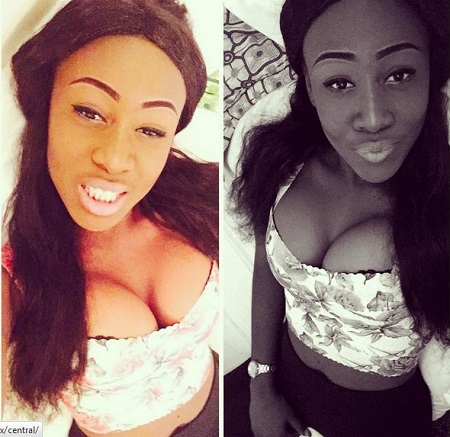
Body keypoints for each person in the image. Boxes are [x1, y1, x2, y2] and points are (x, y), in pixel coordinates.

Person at [226, 0, 449, 436]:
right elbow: (266, 266)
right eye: (340, 82)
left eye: (400, 75)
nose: (374, 118)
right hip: (277, 378)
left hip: (379, 420)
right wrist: (261, 382)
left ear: (431, 76)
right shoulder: (281, 161)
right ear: (310, 89)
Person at [1, 1, 219, 436]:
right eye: (90, 112)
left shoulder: (202, 198)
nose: (116, 159)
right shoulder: (15, 276)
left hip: (215, 407)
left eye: (151, 130)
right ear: (46, 107)